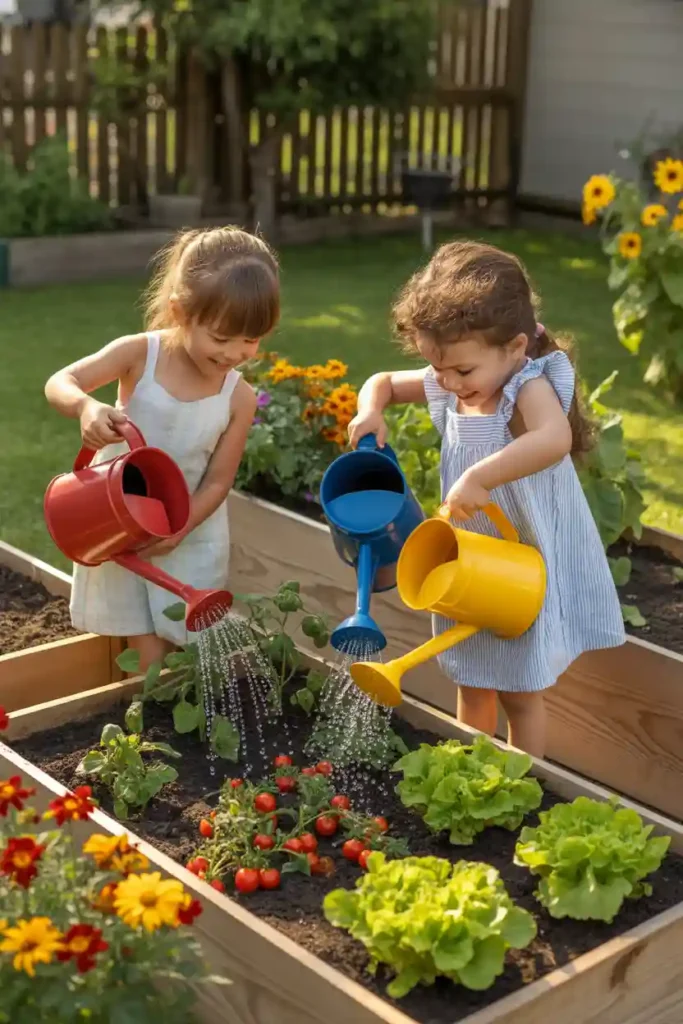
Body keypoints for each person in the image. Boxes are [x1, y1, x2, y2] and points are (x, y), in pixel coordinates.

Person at [348, 240, 625, 757]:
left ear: (516, 348)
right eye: (438, 368)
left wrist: (481, 475)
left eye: (462, 371)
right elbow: (380, 382)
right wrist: (371, 412)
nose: (448, 383)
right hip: (466, 563)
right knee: (470, 678)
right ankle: (471, 774)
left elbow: (552, 439)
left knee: (520, 692)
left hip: (521, 565)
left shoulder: (526, 388)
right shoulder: (456, 378)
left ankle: (524, 786)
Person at [45, 226, 280, 670]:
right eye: (221, 337)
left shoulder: (238, 397)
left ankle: (162, 698)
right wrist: (86, 409)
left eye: (251, 340)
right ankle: (148, 700)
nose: (235, 353)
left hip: (188, 527)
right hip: (120, 512)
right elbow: (61, 382)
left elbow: (217, 479)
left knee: (185, 631)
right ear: (180, 312)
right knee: (137, 618)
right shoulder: (140, 355)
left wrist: (181, 527)